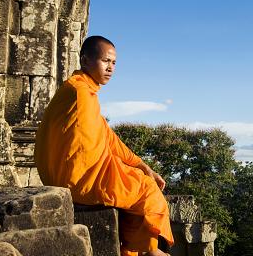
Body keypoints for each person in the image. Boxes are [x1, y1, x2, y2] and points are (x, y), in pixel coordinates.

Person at [34, 35, 173, 256]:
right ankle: (150, 250)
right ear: (85, 61)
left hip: (63, 176)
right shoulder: (79, 93)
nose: (110, 68)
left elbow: (108, 139)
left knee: (140, 180)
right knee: (148, 189)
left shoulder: (81, 89)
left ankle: (136, 248)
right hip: (78, 180)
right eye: (105, 61)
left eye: (114, 63)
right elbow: (88, 151)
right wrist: (134, 171)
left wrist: (141, 165)